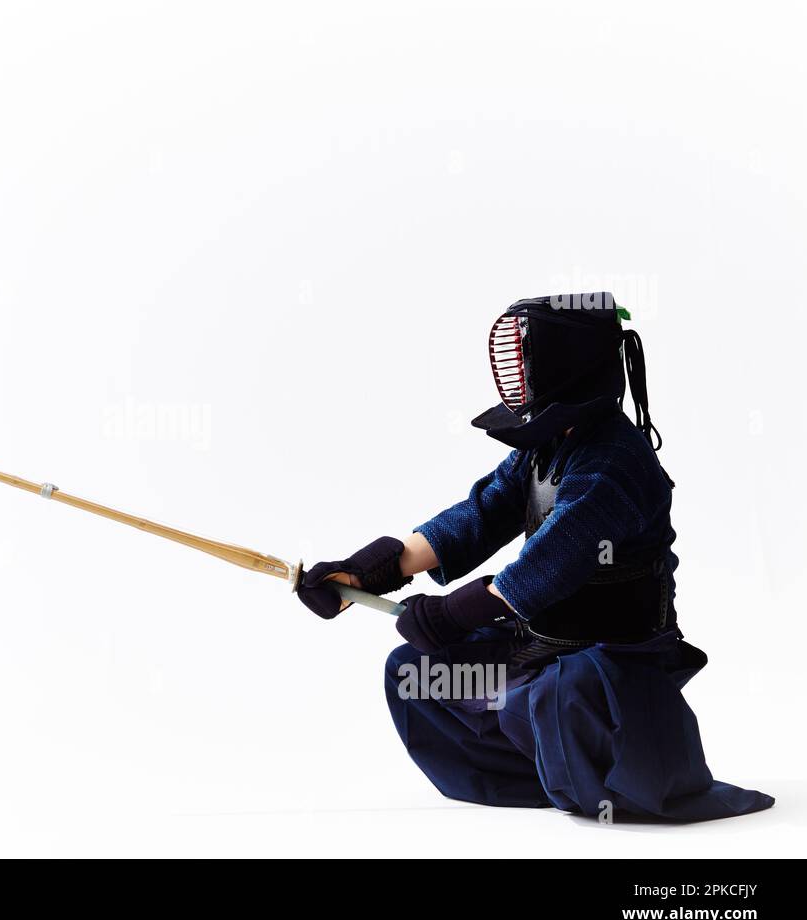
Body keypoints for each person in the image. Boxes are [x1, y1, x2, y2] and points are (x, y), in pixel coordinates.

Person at [299, 293, 773, 821]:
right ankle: (548, 776)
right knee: (415, 672)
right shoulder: (542, 449)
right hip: (540, 642)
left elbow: (551, 561)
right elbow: (474, 520)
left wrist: (451, 614)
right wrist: (366, 571)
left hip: (614, 656)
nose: (519, 367)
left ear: (569, 361)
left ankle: (595, 772)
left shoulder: (614, 460)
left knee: (558, 692)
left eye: (529, 355)